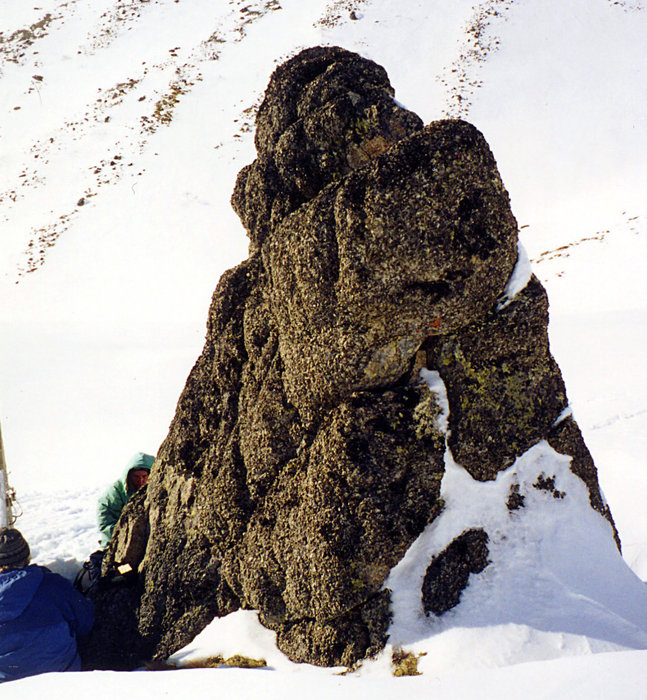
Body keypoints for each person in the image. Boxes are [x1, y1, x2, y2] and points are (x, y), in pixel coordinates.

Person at [0, 527, 94, 682]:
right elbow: (86, 621)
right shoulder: (52, 584)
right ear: (26, 556)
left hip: (8, 688)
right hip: (63, 679)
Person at [96, 452, 154, 548]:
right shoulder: (115, 493)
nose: (140, 480)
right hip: (117, 543)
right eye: (136, 477)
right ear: (129, 475)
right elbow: (105, 521)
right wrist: (124, 535)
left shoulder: (154, 489)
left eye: (144, 476)